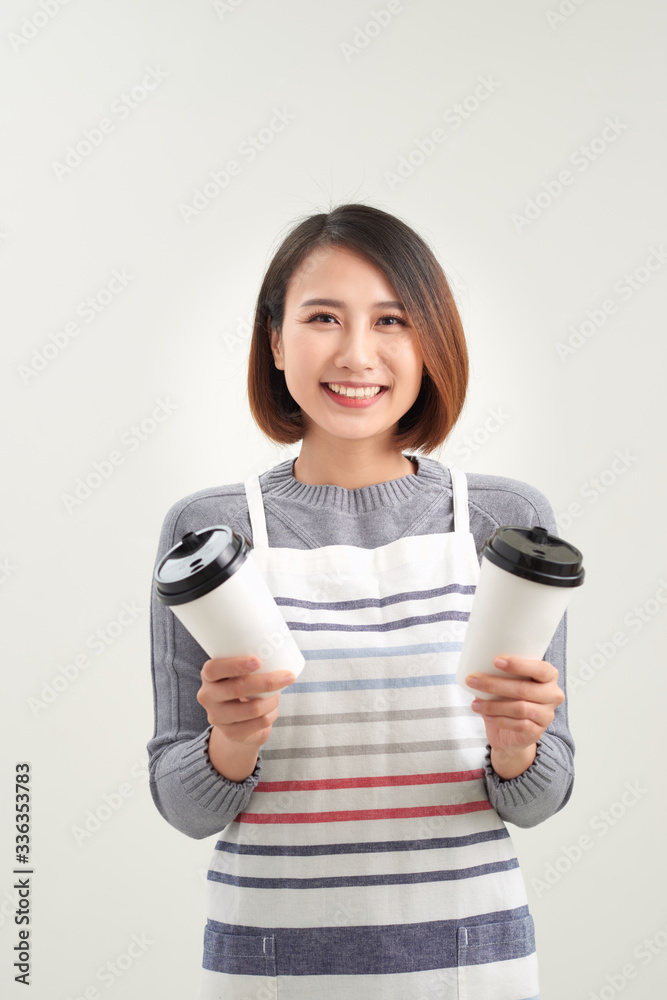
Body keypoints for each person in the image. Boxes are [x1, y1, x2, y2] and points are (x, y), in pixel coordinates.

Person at [147, 202, 574, 999]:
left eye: (391, 320)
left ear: (431, 344)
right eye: (322, 318)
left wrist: (518, 747)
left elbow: (542, 794)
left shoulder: (504, 522)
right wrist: (228, 745)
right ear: (274, 341)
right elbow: (183, 802)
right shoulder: (210, 531)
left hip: (468, 966)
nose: (356, 354)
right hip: (270, 968)